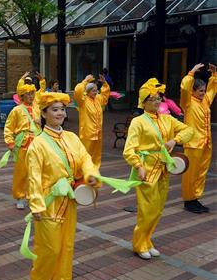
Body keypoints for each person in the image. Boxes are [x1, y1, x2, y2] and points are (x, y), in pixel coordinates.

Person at [26, 91, 99, 280]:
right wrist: (37, 205)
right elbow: (34, 178)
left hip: (70, 201)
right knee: (49, 247)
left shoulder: (72, 137)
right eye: (54, 110)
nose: (60, 113)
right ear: (44, 114)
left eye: (62, 110)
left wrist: (91, 174)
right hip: (49, 202)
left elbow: (86, 159)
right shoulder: (38, 144)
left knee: (67, 246)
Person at [123, 79, 193, 260]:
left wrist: (174, 140)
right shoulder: (138, 122)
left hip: (163, 168)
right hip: (146, 169)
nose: (156, 102)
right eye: (152, 99)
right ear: (143, 102)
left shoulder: (167, 119)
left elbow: (189, 131)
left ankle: (148, 240)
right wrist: (138, 166)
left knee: (158, 209)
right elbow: (129, 149)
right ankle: (139, 244)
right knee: (147, 209)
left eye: (158, 99)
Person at [180, 63, 216, 213]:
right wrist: (191, 73)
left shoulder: (205, 101)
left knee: (201, 172)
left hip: (205, 143)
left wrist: (214, 75)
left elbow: (213, 90)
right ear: (193, 91)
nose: (203, 93)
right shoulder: (187, 102)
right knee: (190, 173)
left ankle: (195, 198)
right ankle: (189, 200)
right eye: (200, 91)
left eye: (203, 91)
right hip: (193, 144)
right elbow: (184, 89)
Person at [4, 83, 40, 210]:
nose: (31, 96)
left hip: (36, 143)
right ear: (22, 96)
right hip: (23, 144)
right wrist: (10, 142)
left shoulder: (37, 108)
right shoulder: (17, 110)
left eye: (32, 94)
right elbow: (8, 127)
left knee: (35, 172)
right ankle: (19, 196)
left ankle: (33, 196)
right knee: (21, 172)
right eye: (28, 94)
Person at [73, 74, 111, 169]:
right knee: (85, 153)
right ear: (88, 91)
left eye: (96, 90)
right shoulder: (83, 101)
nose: (96, 92)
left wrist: (105, 84)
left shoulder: (98, 99)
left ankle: (94, 170)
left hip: (98, 133)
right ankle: (82, 170)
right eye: (94, 90)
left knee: (96, 154)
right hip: (87, 133)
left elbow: (105, 95)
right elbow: (78, 91)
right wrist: (85, 81)